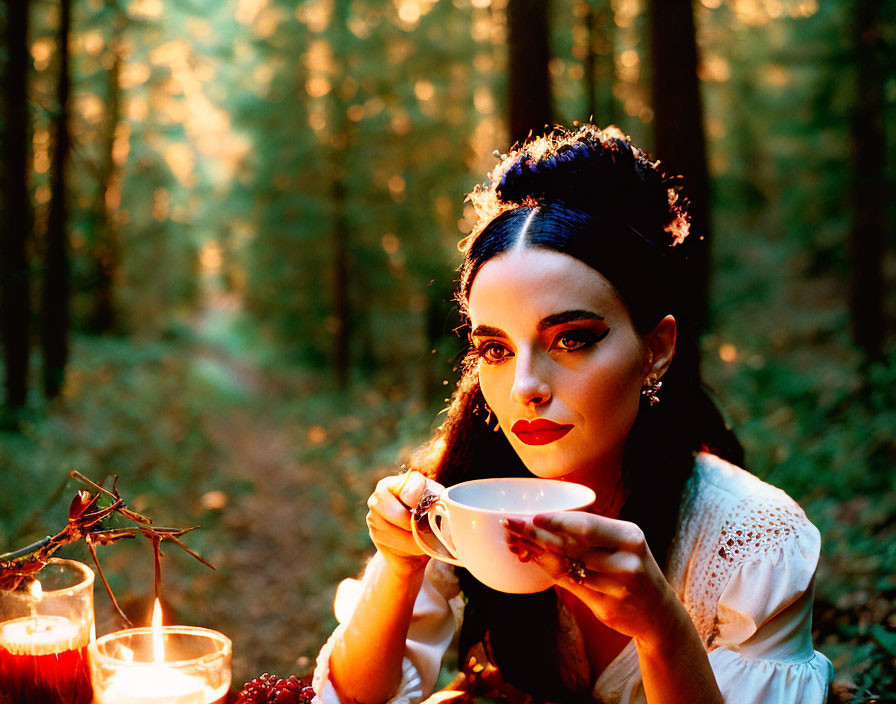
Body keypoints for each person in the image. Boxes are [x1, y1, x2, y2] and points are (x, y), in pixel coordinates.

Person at [311, 125, 833, 704]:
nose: (525, 389)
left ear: (656, 348)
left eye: (572, 339)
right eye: (496, 349)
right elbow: (356, 696)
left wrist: (662, 628)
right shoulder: (464, 493)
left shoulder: (753, 542)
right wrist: (399, 567)